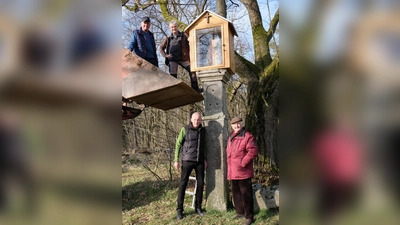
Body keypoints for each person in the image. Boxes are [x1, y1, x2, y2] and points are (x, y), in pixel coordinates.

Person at [174, 112, 207, 220]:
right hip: (187, 160)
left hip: (200, 161)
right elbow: (178, 144)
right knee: (183, 184)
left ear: (201, 120)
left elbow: (204, 146)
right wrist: (176, 160)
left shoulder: (203, 131)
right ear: (191, 119)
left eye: (198, 119)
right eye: (194, 119)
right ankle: (179, 210)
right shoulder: (185, 129)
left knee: (201, 184)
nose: (196, 121)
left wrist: (205, 158)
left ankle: (198, 207)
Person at [226, 116, 258, 225]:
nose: (236, 125)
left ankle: (249, 216)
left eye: (238, 123)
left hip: (243, 171)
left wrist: (243, 163)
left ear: (242, 124)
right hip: (233, 170)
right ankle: (240, 212)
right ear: (231, 126)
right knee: (236, 193)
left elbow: (253, 151)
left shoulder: (248, 136)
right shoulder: (230, 136)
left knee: (246, 194)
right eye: (234, 124)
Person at [159, 21, 202, 92]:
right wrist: (166, 55)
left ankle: (195, 89)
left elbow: (191, 40)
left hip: (183, 58)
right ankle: (174, 91)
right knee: (173, 76)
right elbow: (161, 48)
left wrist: (190, 40)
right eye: (172, 27)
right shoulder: (168, 38)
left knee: (192, 71)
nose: (174, 28)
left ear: (177, 27)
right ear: (170, 28)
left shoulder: (183, 34)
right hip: (173, 59)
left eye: (175, 26)